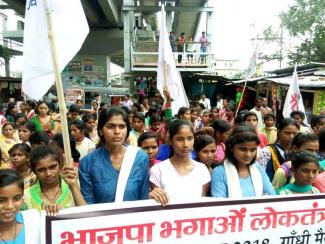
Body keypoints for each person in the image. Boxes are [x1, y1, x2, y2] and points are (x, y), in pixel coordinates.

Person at [79, 107, 149, 204]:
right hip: (100, 218)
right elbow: (88, 206)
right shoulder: (87, 163)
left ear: (127, 130)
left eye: (122, 126)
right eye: (110, 126)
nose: (117, 131)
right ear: (100, 131)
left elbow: (143, 197)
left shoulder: (139, 157)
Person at [149, 119, 210, 205]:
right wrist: (152, 196)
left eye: (189, 138)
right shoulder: (158, 170)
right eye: (180, 139)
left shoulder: (202, 169)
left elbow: (203, 202)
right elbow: (156, 203)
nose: (186, 144)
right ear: (170, 141)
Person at [211, 125, 276, 198]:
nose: (248, 155)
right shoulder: (219, 173)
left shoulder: (257, 168)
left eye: (252, 150)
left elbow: (271, 195)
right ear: (231, 147)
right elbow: (219, 204)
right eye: (243, 149)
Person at [23, 145, 86, 211]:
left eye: (52, 167)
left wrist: (73, 187)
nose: (48, 174)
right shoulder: (26, 196)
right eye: (41, 170)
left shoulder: (77, 185)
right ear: (34, 171)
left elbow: (87, 216)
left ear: (60, 165)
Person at [0, 169, 41, 243]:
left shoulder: (34, 220)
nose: (10, 206)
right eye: (1, 200)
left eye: (17, 198)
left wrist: (56, 214)